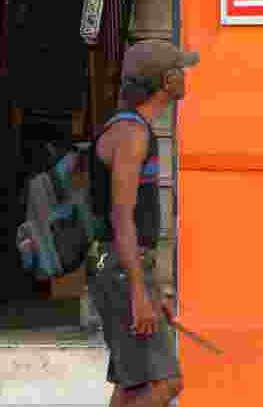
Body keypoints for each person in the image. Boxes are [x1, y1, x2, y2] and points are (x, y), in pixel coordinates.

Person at [87, 40, 199, 407]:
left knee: (132, 386)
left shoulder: (135, 129)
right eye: (181, 70)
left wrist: (155, 287)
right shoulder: (131, 134)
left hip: (126, 267)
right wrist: (139, 292)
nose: (186, 76)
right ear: (167, 80)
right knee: (166, 384)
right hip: (120, 270)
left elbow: (139, 220)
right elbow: (122, 217)